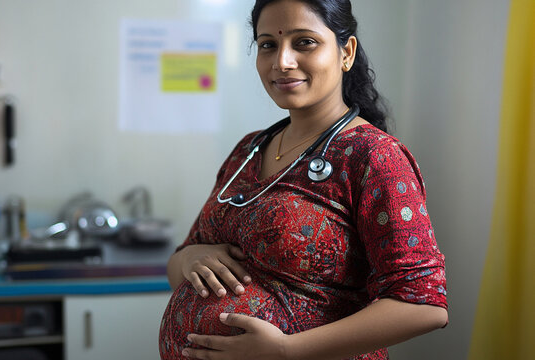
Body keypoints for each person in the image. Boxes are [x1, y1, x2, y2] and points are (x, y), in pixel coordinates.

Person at [159, 0, 448, 358]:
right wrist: (189, 260)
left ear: (346, 53)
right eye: (268, 45)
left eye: (304, 42)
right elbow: (179, 266)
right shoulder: (248, 150)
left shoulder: (375, 157)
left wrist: (286, 350)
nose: (282, 61)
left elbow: (424, 305)